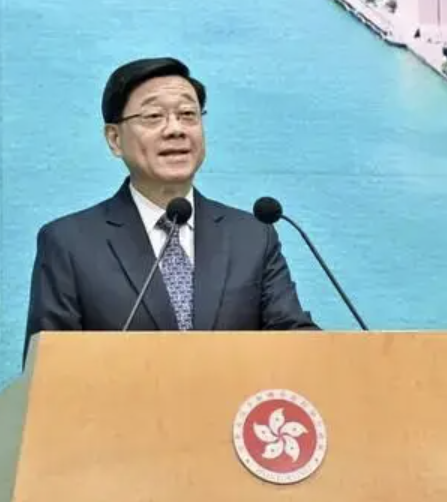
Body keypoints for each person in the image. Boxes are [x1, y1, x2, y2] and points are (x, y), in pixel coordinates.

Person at [23, 57, 318, 364]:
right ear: (115, 139)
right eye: (153, 116)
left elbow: (296, 344)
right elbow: (48, 372)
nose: (175, 129)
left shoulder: (252, 237)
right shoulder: (70, 243)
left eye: (188, 114)